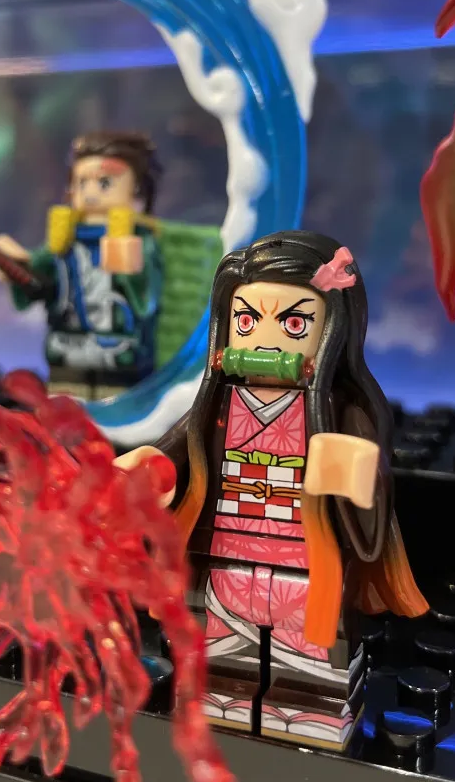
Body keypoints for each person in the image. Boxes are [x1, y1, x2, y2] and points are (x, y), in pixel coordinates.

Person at [117, 231, 427, 749]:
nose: (264, 341)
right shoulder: (215, 408)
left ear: (332, 330)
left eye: (293, 324)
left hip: (306, 560)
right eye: (246, 322)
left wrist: (351, 472)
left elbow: (368, 490)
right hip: (223, 555)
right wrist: (148, 468)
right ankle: (220, 697)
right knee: (218, 652)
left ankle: (312, 709)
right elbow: (178, 451)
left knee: (310, 657)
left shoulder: (340, 411)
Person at [0, 132, 163, 398]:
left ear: (138, 191)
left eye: (104, 183)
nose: (90, 193)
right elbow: (40, 273)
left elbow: (146, 297)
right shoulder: (64, 244)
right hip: (67, 343)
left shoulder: (140, 241)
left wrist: (129, 266)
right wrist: (15, 267)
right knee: (68, 400)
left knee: (118, 397)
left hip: (120, 348)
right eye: (81, 182)